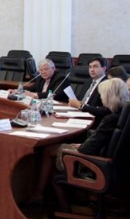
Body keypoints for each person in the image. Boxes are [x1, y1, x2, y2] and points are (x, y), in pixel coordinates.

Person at [29, 78, 129, 209]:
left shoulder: (110, 119)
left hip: (95, 163)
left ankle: (44, 198)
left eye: (102, 95)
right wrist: (85, 144)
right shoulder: (123, 113)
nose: (101, 98)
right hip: (111, 162)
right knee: (57, 149)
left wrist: (82, 146)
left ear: (109, 96)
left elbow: (86, 150)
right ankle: (59, 200)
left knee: (49, 150)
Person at [69, 57, 108, 126]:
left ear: (104, 68)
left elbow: (104, 110)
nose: (92, 70)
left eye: (95, 66)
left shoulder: (107, 84)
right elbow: (80, 99)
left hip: (94, 120)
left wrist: (81, 106)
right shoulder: (88, 82)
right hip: (79, 115)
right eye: (90, 67)